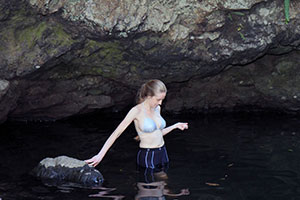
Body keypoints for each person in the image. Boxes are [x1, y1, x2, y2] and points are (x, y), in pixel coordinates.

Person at [85, 79, 188, 169]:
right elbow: (116, 133)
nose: (160, 103)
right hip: (148, 154)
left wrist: (175, 126)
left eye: (162, 99)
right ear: (149, 96)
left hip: (162, 152)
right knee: (154, 184)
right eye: (158, 99)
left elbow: (158, 133)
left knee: (162, 184)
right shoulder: (136, 111)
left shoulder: (157, 108)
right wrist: (100, 155)